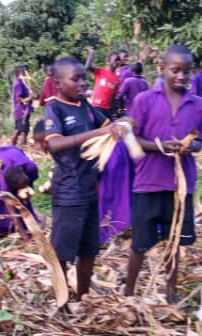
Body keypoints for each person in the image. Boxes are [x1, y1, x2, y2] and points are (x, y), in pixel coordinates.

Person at [124, 45, 202, 303]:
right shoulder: (145, 100)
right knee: (140, 243)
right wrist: (159, 146)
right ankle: (129, 292)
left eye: (187, 71)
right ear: (162, 69)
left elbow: (200, 139)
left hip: (180, 185)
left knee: (174, 241)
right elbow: (132, 137)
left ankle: (170, 292)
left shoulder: (196, 105)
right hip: (148, 181)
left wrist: (189, 146)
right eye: (175, 70)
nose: (182, 76)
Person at [43, 56, 128, 301]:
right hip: (69, 189)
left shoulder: (85, 106)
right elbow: (56, 144)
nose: (83, 84)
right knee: (62, 250)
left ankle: (82, 297)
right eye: (76, 79)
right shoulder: (55, 108)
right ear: (58, 83)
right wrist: (98, 132)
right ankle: (59, 298)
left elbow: (108, 124)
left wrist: (123, 124)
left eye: (84, 78)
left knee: (89, 248)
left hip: (90, 187)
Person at [0, 145, 39, 237]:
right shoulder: (4, 179)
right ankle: (1, 226)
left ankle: (29, 222)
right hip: (2, 158)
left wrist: (28, 193)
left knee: (24, 201)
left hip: (13, 151)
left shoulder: (31, 168)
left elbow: (31, 181)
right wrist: (24, 237)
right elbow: (11, 210)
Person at [85, 49, 123, 118]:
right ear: (108, 61)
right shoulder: (100, 71)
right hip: (96, 107)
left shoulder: (117, 79)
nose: (117, 62)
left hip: (107, 110)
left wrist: (115, 111)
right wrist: (91, 54)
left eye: (119, 60)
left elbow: (114, 97)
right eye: (116, 59)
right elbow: (87, 67)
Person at [12, 65, 33, 147]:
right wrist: (31, 97)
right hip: (22, 111)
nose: (26, 73)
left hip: (23, 110)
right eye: (25, 72)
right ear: (20, 72)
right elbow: (19, 99)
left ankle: (13, 147)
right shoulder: (19, 84)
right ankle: (22, 149)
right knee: (23, 131)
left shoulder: (22, 83)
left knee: (19, 130)